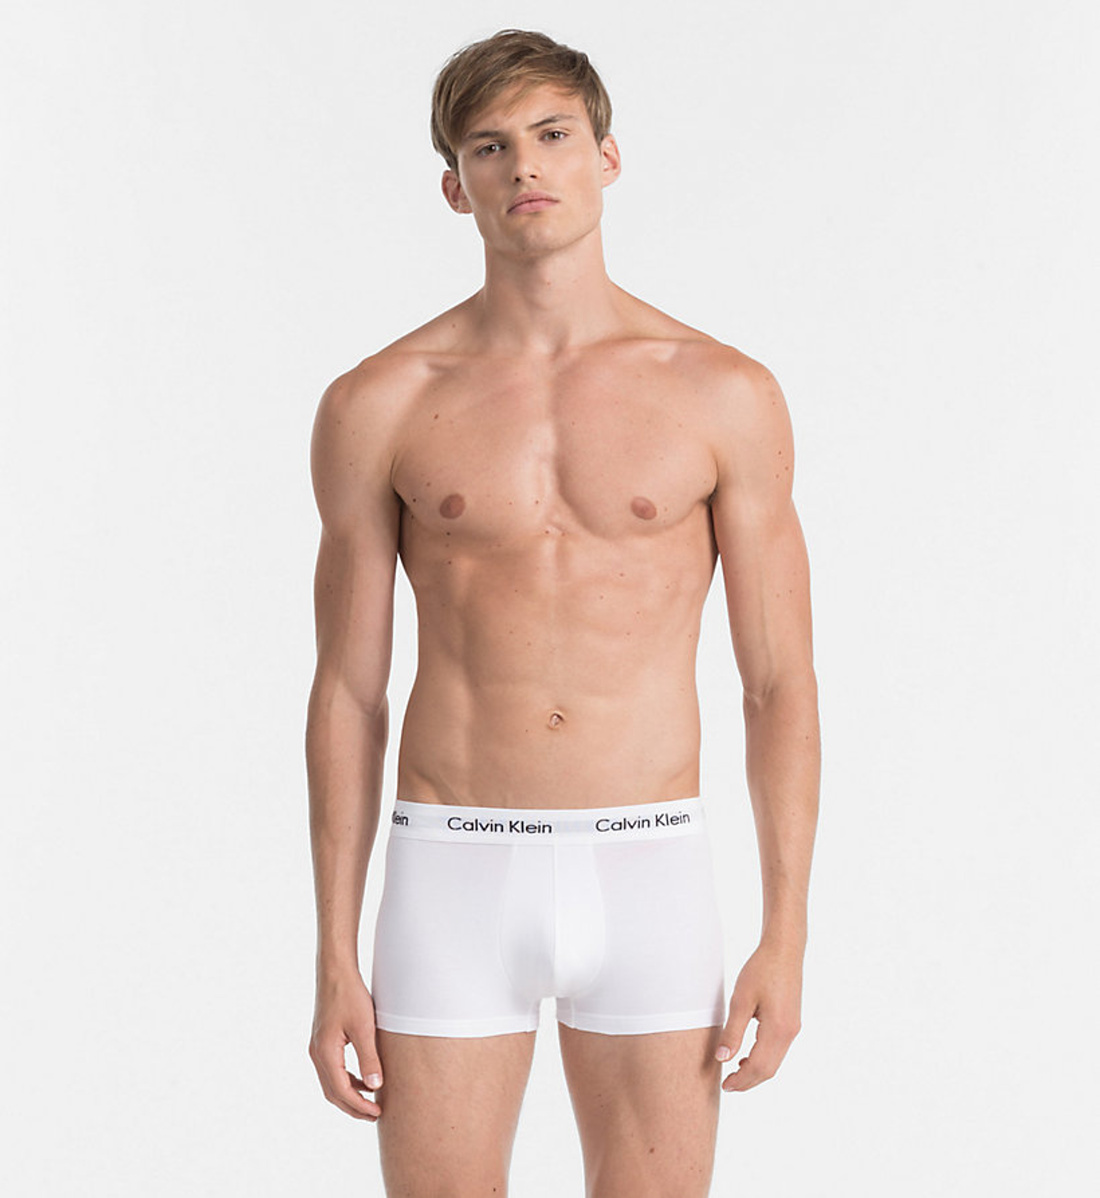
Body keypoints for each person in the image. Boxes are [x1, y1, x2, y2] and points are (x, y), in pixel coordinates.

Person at [306, 27, 820, 1197]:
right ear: (455, 186)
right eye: (488, 146)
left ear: (607, 158)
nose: (524, 165)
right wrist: (334, 948)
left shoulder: (721, 393)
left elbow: (776, 682)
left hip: (650, 867)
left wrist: (784, 932)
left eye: (551, 135)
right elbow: (346, 689)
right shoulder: (378, 402)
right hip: (449, 868)